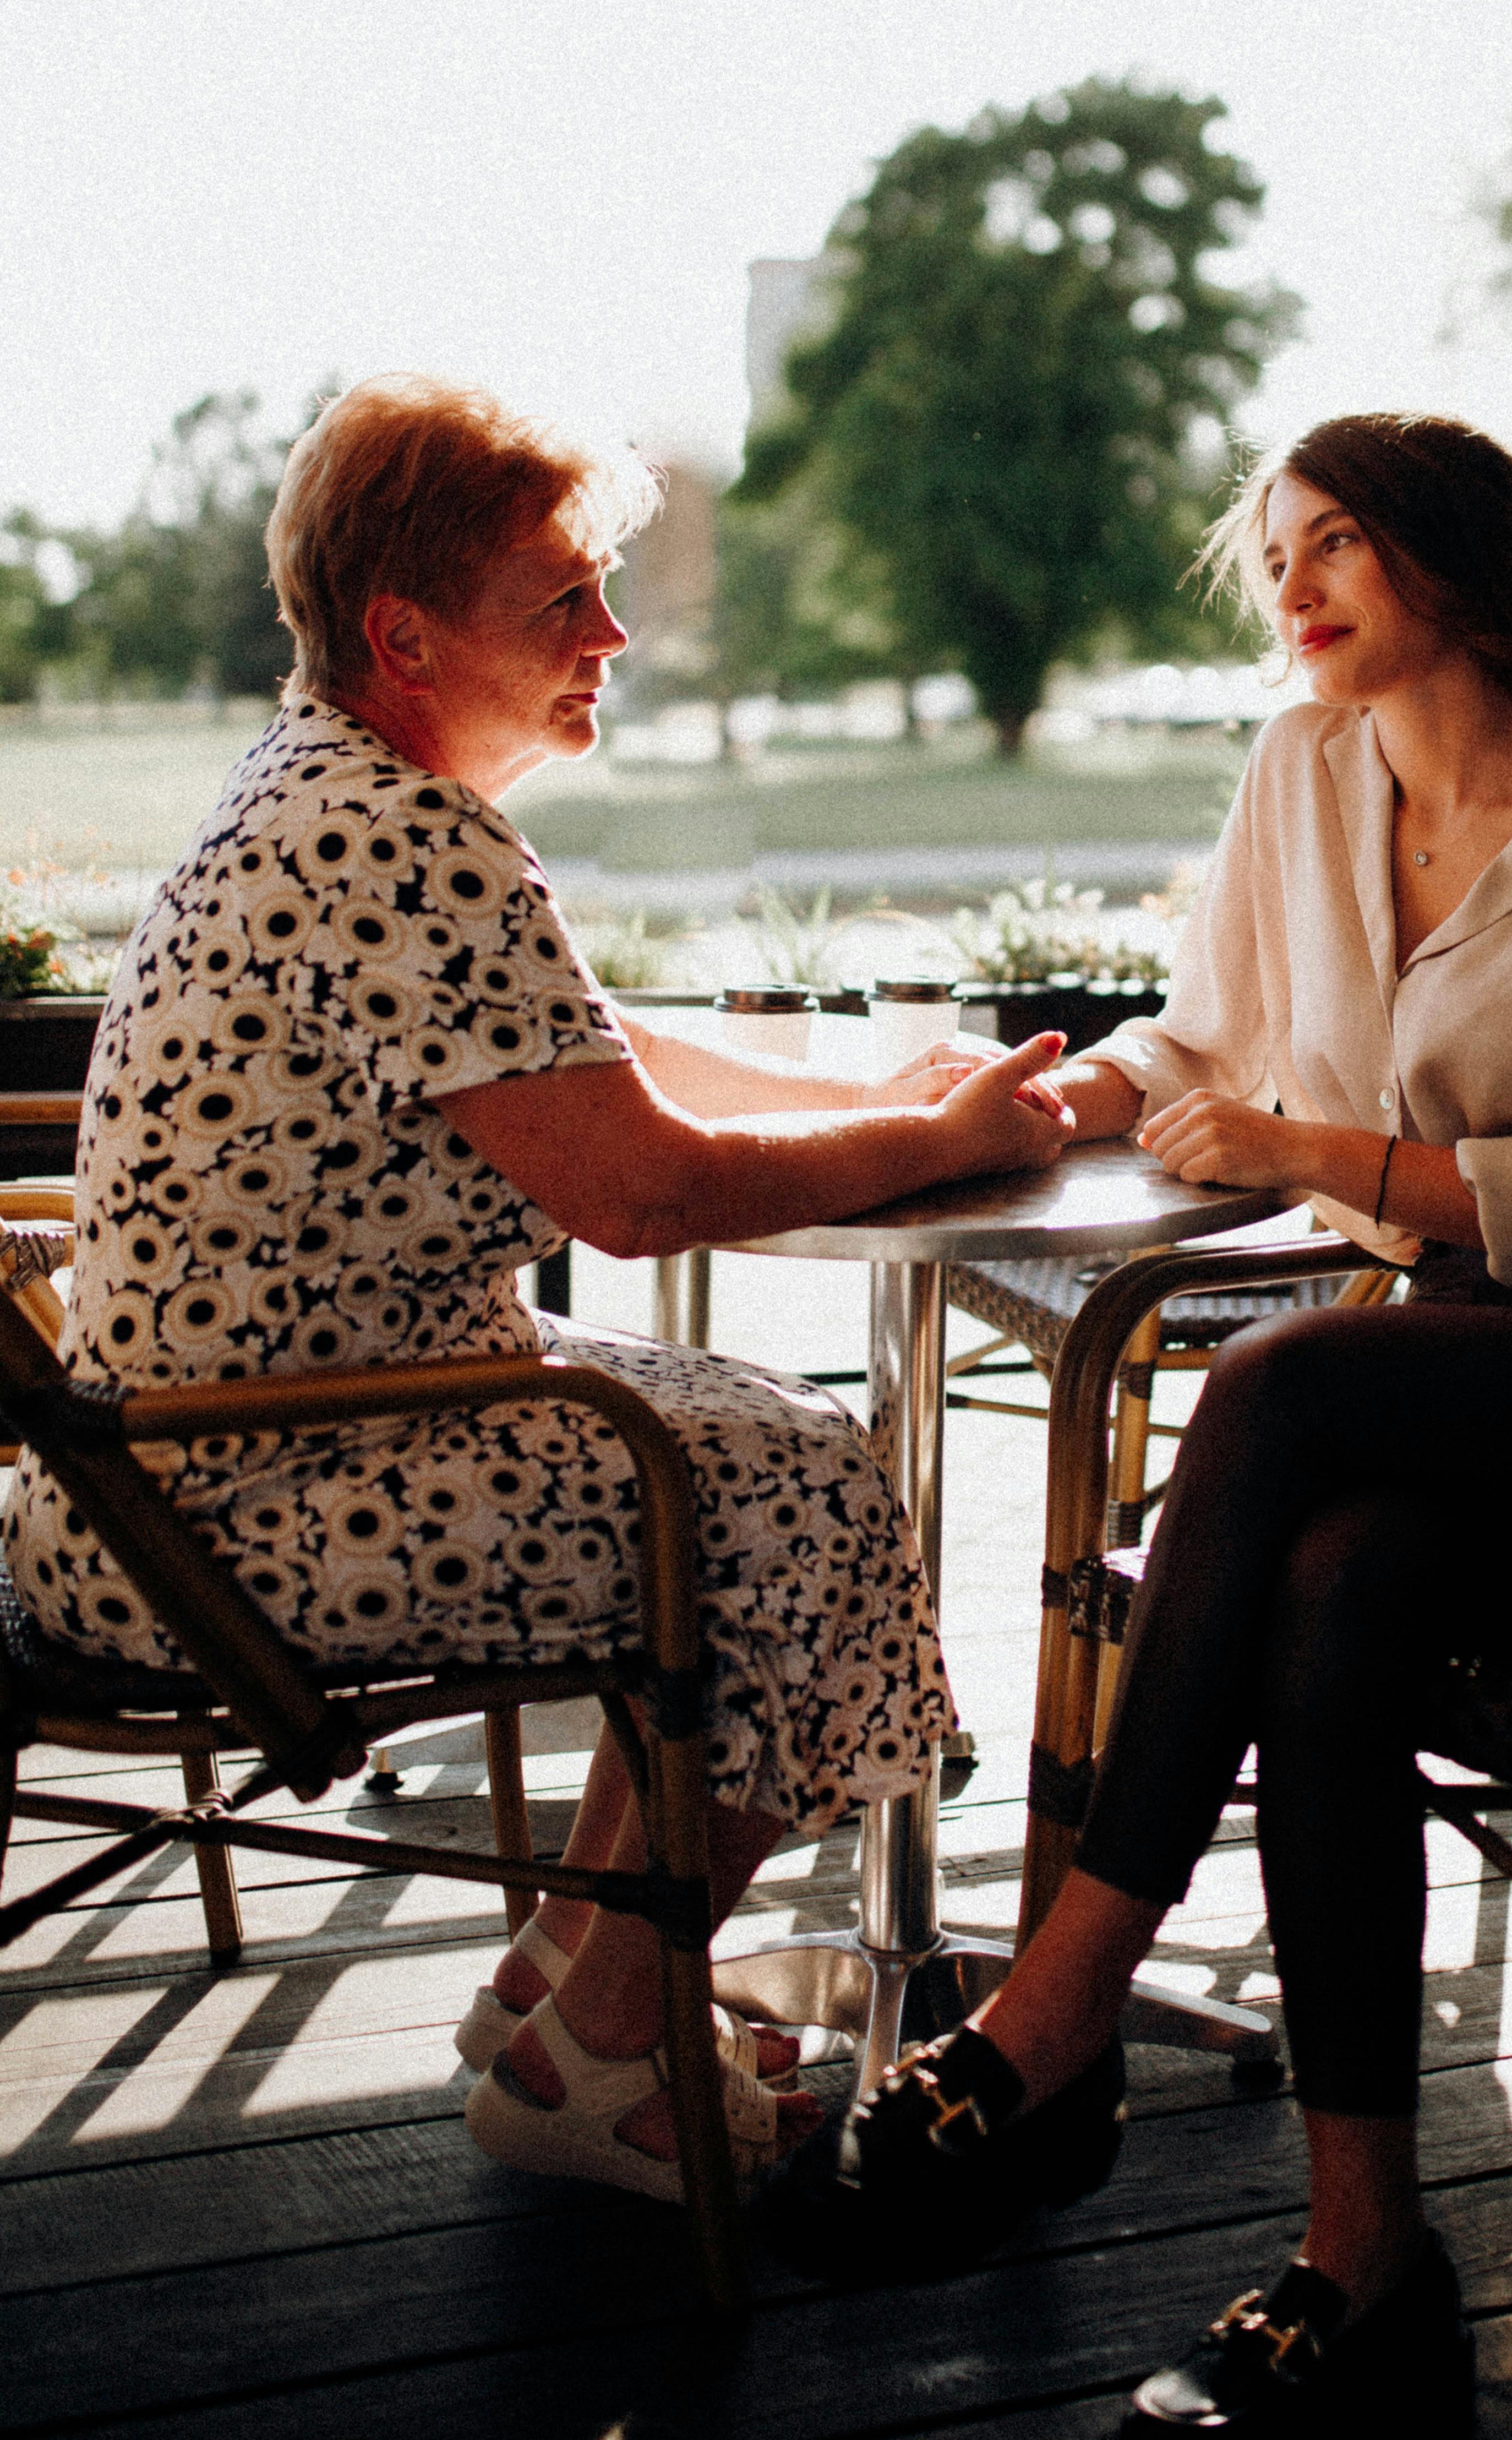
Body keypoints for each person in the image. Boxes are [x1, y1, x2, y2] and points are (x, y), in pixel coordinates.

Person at [765, 413, 1512, 2435]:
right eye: (1282, 552)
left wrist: (1318, 1149)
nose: (1298, 587)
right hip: (1454, 1346)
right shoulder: (1304, 771)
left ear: (1461, 556)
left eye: (1338, 543)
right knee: (1336, 1598)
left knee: (1278, 1376)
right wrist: (1057, 1098)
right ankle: (1365, 2261)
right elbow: (1211, 1034)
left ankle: (1056, 1999)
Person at [0, 373, 1071, 2195]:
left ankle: (574, 1986)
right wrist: (951, 1146)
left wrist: (878, 1099)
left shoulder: (333, 791)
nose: (615, 632)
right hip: (237, 1506)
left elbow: (589, 1050)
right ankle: (605, 2047)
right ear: (403, 633)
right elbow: (643, 1188)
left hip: (180, 1459)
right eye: (560, 598)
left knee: (751, 1437)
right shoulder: (393, 838)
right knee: (803, 1490)